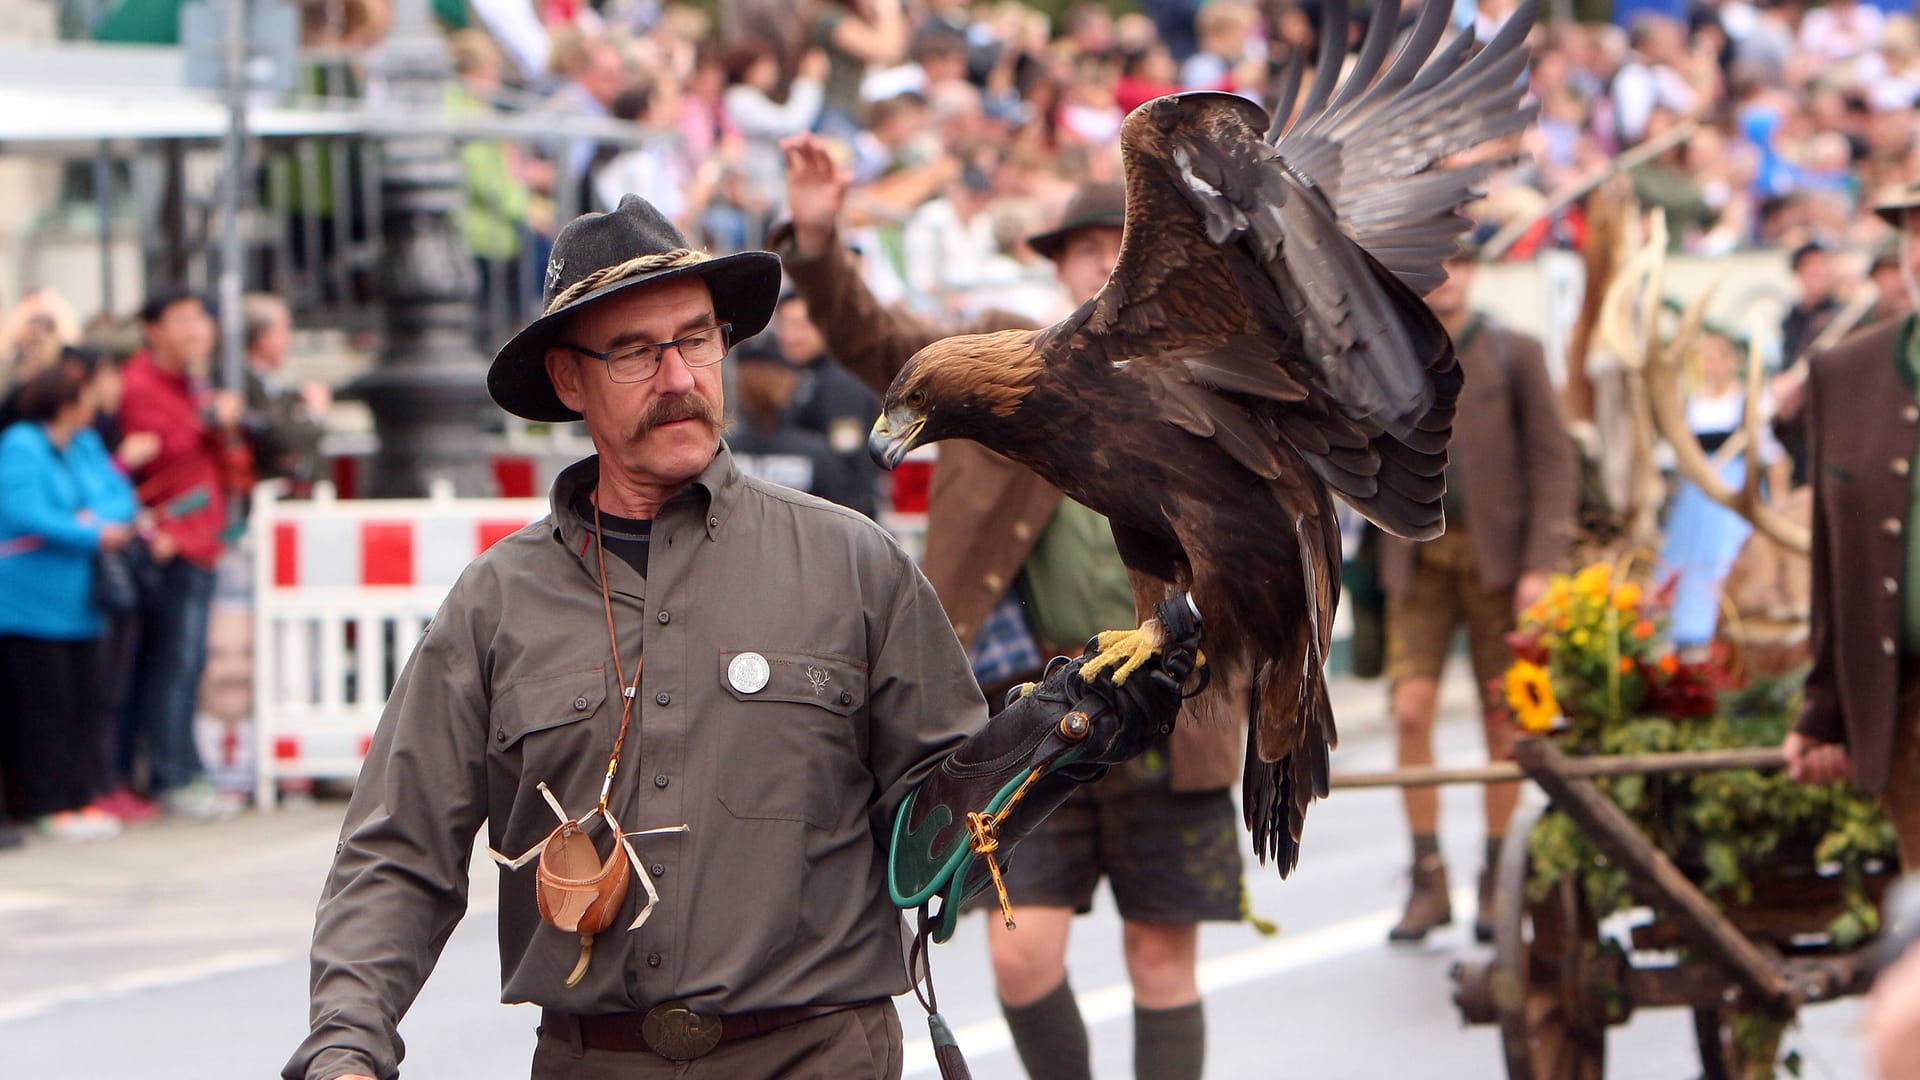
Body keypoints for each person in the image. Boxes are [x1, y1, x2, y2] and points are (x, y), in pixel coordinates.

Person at [284, 193, 1196, 1080]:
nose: (680, 377)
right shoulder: (494, 604)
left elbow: (933, 832)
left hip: (819, 1055)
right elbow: (397, 851)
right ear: (569, 379)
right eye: (636, 352)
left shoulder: (854, 563)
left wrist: (1058, 735)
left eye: (695, 339)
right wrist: (346, 1048)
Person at [780, 134, 1243, 1080]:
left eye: (1122, 249)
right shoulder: (994, 358)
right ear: (1058, 265)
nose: (1106, 267)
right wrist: (819, 244)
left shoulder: (1194, 376)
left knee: (1161, 957)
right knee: (1020, 956)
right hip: (1035, 704)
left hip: (1173, 699)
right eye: (1085, 251)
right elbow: (872, 340)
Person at [1377, 241, 1579, 944]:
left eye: (1461, 263)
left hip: (1503, 561)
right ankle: (1427, 877)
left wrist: (1543, 564)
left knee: (1508, 721)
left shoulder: (1514, 351)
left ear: (1476, 273)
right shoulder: (1385, 353)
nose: (1449, 277)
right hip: (1418, 558)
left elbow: (1556, 463)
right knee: (1409, 711)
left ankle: (1498, 877)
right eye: (1436, 263)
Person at [1783, 182, 1920, 867]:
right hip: (1907, 715)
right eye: (1916, 233)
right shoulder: (1843, 374)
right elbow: (1833, 570)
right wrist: (1823, 713)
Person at [117, 290, 249, 821]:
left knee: (185, 663)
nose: (198, 328)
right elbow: (159, 456)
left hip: (199, 540)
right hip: (169, 543)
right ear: (154, 329)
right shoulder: (141, 385)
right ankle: (171, 777)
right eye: (183, 319)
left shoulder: (191, 384)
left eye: (202, 317)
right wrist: (209, 420)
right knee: (173, 663)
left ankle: (184, 770)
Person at [0, 355, 138, 842]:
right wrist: (89, 529)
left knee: (86, 700)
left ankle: (80, 797)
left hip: (81, 599)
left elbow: (119, 496)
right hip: (28, 600)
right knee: (44, 706)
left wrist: (90, 521)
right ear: (66, 401)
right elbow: (25, 511)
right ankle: (47, 802)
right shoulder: (21, 445)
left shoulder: (84, 443)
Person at [1656, 329, 1790, 649]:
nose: (1710, 365)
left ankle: (1730, 622)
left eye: (1717, 358)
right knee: (1689, 562)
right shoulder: (1691, 404)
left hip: (1733, 489)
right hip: (1699, 491)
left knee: (1731, 558)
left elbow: (1775, 458)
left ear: (1732, 361)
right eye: (1705, 359)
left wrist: (1778, 506)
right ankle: (1687, 626)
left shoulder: (1747, 401)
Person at [770, 290, 881, 520]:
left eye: (801, 325)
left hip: (836, 519)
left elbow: (850, 466)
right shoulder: (786, 376)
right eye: (785, 325)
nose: (792, 336)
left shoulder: (843, 383)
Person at [241, 293, 330, 495]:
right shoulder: (243, 384)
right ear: (263, 337)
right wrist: (315, 415)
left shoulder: (273, 387)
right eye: (284, 331)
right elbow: (281, 440)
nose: (288, 341)